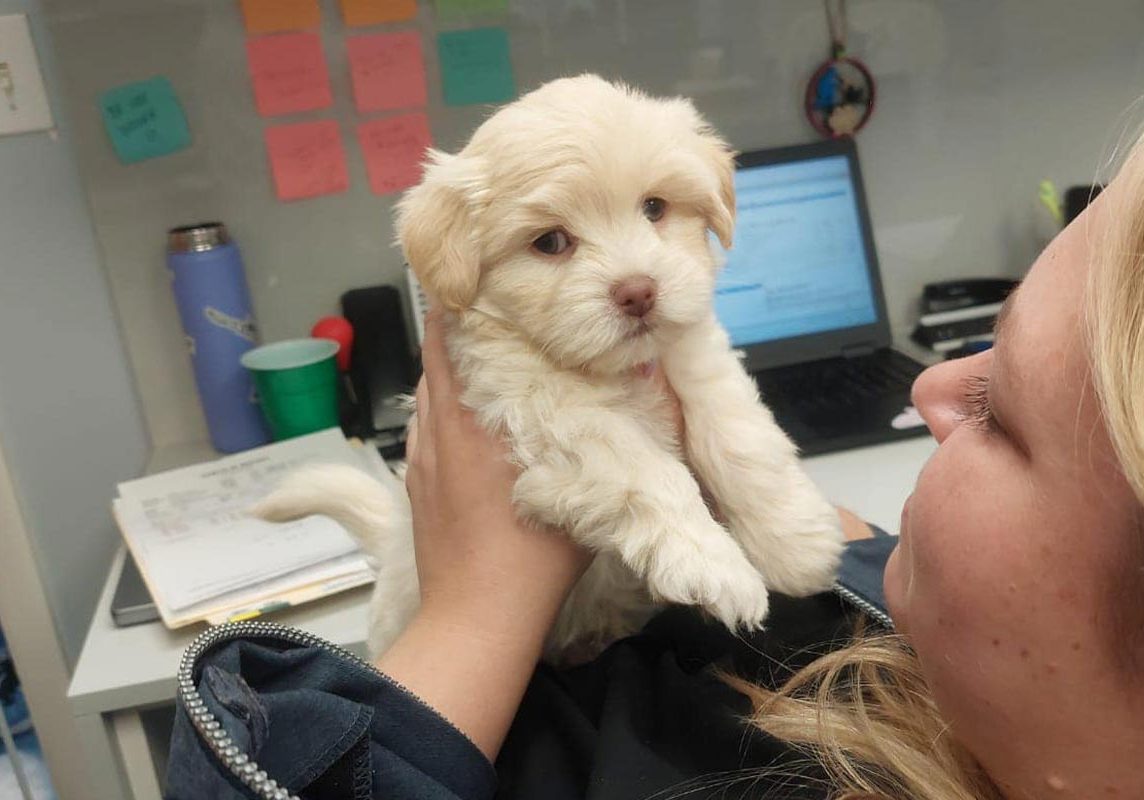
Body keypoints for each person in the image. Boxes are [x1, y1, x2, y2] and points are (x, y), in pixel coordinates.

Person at [167, 135, 1144, 800]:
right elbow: (842, 560)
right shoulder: (958, 645)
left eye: (1001, 412)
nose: (934, 384)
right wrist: (760, 490)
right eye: (554, 239)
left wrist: (468, 614)